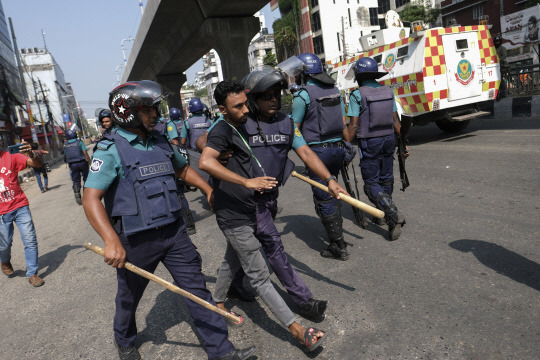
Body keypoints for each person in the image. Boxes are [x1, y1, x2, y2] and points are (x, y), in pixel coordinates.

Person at [82, 80, 256, 360]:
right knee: (129, 296)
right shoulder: (110, 149)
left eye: (156, 108)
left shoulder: (160, 140)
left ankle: (222, 351)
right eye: (149, 109)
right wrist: (111, 241)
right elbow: (90, 198)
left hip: (174, 233)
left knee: (196, 289)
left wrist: (208, 188)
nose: (156, 114)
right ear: (127, 111)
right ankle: (124, 339)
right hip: (136, 239)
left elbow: (183, 168)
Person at [199, 80, 328, 353]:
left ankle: (218, 300)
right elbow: (205, 158)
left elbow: (303, 151)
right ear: (222, 109)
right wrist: (245, 182)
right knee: (259, 274)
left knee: (233, 257)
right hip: (233, 212)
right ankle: (297, 329)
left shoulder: (245, 124)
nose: (246, 110)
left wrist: (328, 179)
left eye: (246, 103)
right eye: (239, 106)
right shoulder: (223, 128)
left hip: (252, 207)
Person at [241, 66, 350, 317]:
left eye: (276, 94)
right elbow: (206, 140)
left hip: (269, 198)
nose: (273, 99)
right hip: (244, 200)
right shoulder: (240, 122)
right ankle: (303, 299)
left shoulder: (287, 123)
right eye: (266, 95)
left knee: (240, 249)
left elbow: (307, 153)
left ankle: (231, 287)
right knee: (273, 246)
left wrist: (329, 179)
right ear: (252, 98)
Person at [289, 52, 351, 260]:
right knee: (334, 190)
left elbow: (294, 128)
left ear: (302, 73)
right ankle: (338, 237)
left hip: (318, 153)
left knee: (324, 197)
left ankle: (338, 245)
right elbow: (343, 123)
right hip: (338, 149)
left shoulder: (303, 95)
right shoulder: (335, 90)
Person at [346, 57, 407, 241]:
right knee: (386, 179)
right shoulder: (388, 91)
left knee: (371, 183)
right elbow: (397, 122)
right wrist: (403, 144)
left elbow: (354, 126)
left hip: (369, 143)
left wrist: (346, 144)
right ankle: (382, 211)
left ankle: (391, 214)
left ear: (358, 75)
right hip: (389, 140)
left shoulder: (357, 95)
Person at [0, 140, 45, 287]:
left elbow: (37, 164)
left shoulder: (10, 156)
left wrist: (31, 153)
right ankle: (5, 261)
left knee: (30, 239)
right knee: (4, 245)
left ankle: (32, 273)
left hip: (20, 206)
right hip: (1, 213)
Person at [64, 125, 91, 205]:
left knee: (76, 180)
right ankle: (86, 195)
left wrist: (68, 164)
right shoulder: (79, 142)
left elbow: (65, 155)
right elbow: (85, 152)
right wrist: (89, 161)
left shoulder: (65, 144)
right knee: (86, 178)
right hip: (82, 162)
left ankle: (77, 192)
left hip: (72, 164)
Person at [494, 36, 508, 100]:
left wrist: (498, 60)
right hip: (494, 67)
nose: (497, 43)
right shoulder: (493, 49)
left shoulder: (502, 48)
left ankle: (503, 93)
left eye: (498, 41)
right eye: (496, 41)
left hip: (501, 66)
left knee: (500, 80)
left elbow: (504, 56)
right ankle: (497, 94)